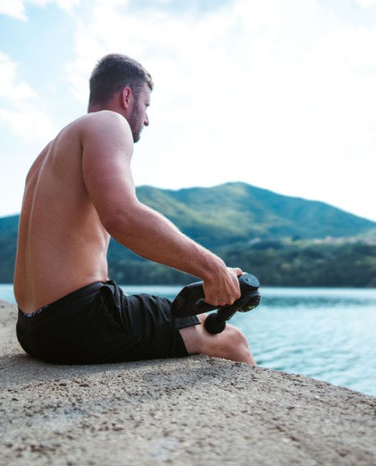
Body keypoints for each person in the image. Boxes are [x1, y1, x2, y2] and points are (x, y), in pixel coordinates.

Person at [14, 53, 255, 366]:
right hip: (77, 321)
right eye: (147, 106)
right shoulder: (108, 123)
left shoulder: (47, 154)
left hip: (32, 327)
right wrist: (213, 269)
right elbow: (122, 216)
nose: (146, 119)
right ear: (127, 96)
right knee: (232, 340)